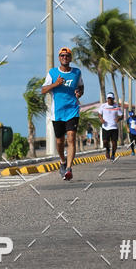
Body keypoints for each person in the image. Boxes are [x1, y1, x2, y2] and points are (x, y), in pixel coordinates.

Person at [41, 47, 84, 181]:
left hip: (72, 110)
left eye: (67, 55)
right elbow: (43, 90)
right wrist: (55, 84)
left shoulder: (77, 72)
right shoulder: (53, 73)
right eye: (62, 55)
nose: (65, 57)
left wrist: (80, 92)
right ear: (59, 58)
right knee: (59, 142)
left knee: (71, 138)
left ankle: (69, 169)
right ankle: (62, 161)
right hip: (57, 112)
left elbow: (81, 86)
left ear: (70, 58)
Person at [98, 92, 123, 161]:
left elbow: (121, 116)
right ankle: (107, 149)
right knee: (105, 141)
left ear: (113, 99)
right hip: (105, 127)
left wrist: (119, 118)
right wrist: (101, 119)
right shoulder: (103, 106)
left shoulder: (117, 107)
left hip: (114, 127)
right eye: (108, 98)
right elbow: (99, 114)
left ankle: (113, 154)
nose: (109, 100)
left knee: (114, 142)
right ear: (107, 99)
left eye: (111, 98)